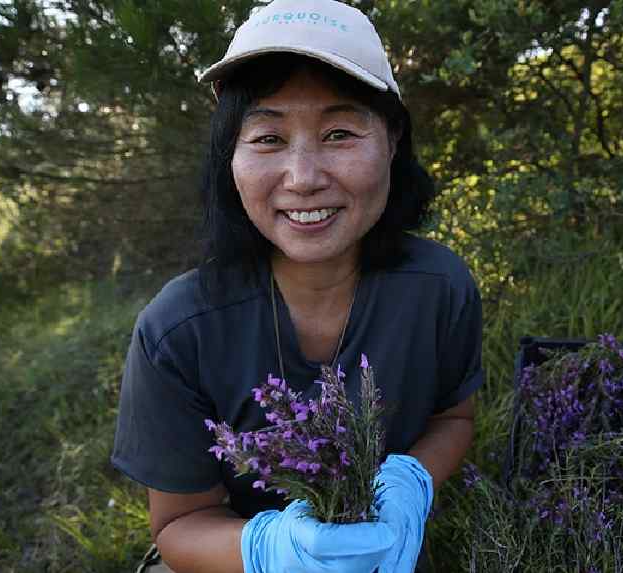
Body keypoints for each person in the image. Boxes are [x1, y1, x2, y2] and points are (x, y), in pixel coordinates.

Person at [111, 0, 484, 571]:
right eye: (267, 138)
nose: (304, 178)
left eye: (339, 132)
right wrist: (272, 552)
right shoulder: (178, 329)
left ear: (391, 138)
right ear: (229, 156)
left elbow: (453, 419)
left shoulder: (439, 287)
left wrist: (412, 483)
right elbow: (179, 525)